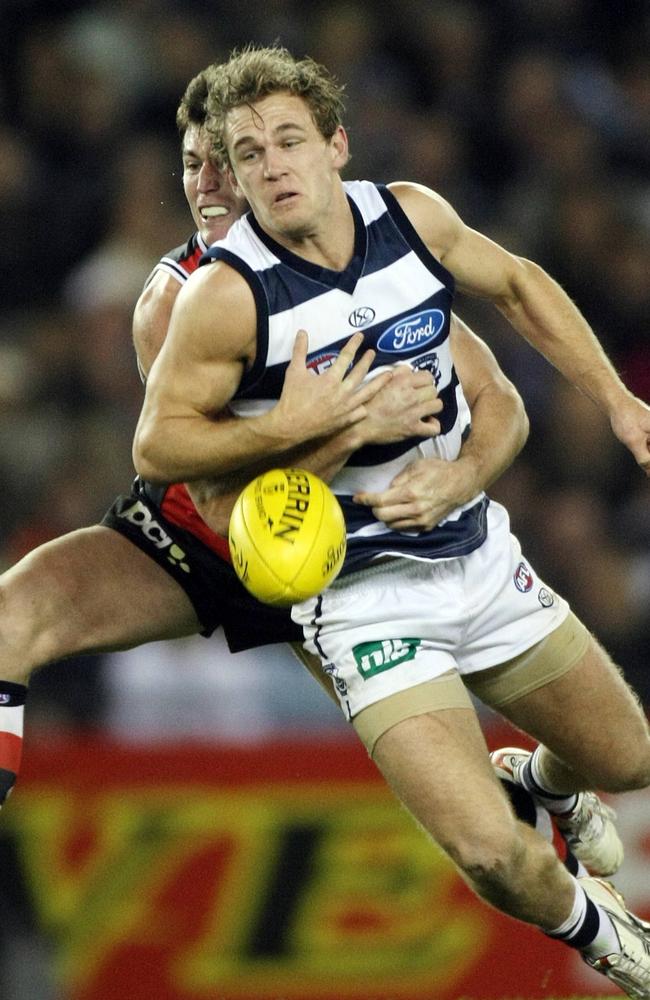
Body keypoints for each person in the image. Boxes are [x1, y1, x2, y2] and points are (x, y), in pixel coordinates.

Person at [133, 46, 650, 997]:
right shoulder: (224, 297)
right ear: (236, 178)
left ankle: (541, 782)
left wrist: (618, 405)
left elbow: (524, 286)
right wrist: (316, 419)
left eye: (290, 141)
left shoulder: (408, 218)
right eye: (247, 155)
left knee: (630, 755)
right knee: (492, 856)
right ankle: (604, 933)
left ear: (337, 146)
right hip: (360, 597)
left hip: (476, 556)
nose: (271, 166)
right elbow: (157, 449)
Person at [0, 66, 531, 823]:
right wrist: (337, 425)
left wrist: (455, 474)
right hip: (206, 539)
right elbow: (215, 500)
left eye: (227, 160)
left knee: (465, 801)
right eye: (192, 165)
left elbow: (496, 398)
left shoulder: (370, 258)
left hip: (331, 552)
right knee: (12, 613)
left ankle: (557, 849)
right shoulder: (173, 301)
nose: (208, 184)